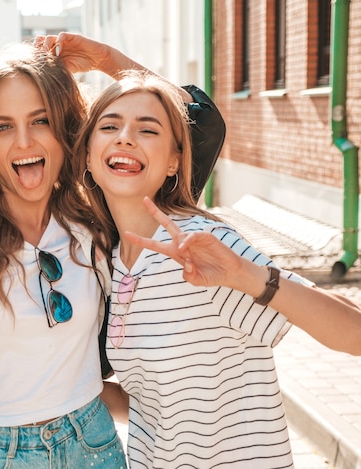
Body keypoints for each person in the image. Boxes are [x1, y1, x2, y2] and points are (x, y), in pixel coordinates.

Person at [0, 33, 225, 467]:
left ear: (68, 130)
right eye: (2, 127)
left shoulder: (100, 219)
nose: (24, 142)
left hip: (92, 443)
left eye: (41, 120)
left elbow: (196, 127)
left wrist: (109, 61)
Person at [74, 70, 361, 468]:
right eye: (109, 125)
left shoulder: (202, 241)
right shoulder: (109, 261)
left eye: (149, 130)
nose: (125, 137)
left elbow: (354, 333)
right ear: (88, 153)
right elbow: (147, 402)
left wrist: (244, 274)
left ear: (175, 161)